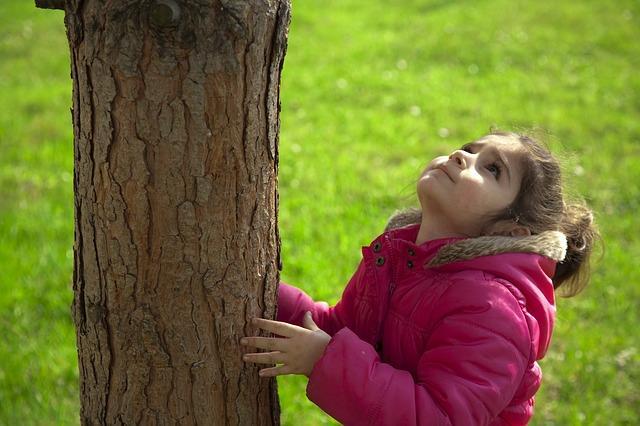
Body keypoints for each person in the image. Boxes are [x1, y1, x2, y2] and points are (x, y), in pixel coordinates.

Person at [240, 131, 598, 425]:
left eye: (492, 169)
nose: (460, 155)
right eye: (469, 148)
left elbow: (439, 418)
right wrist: (256, 293)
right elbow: (343, 331)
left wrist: (324, 359)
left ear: (512, 232)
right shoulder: (402, 259)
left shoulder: (493, 310)